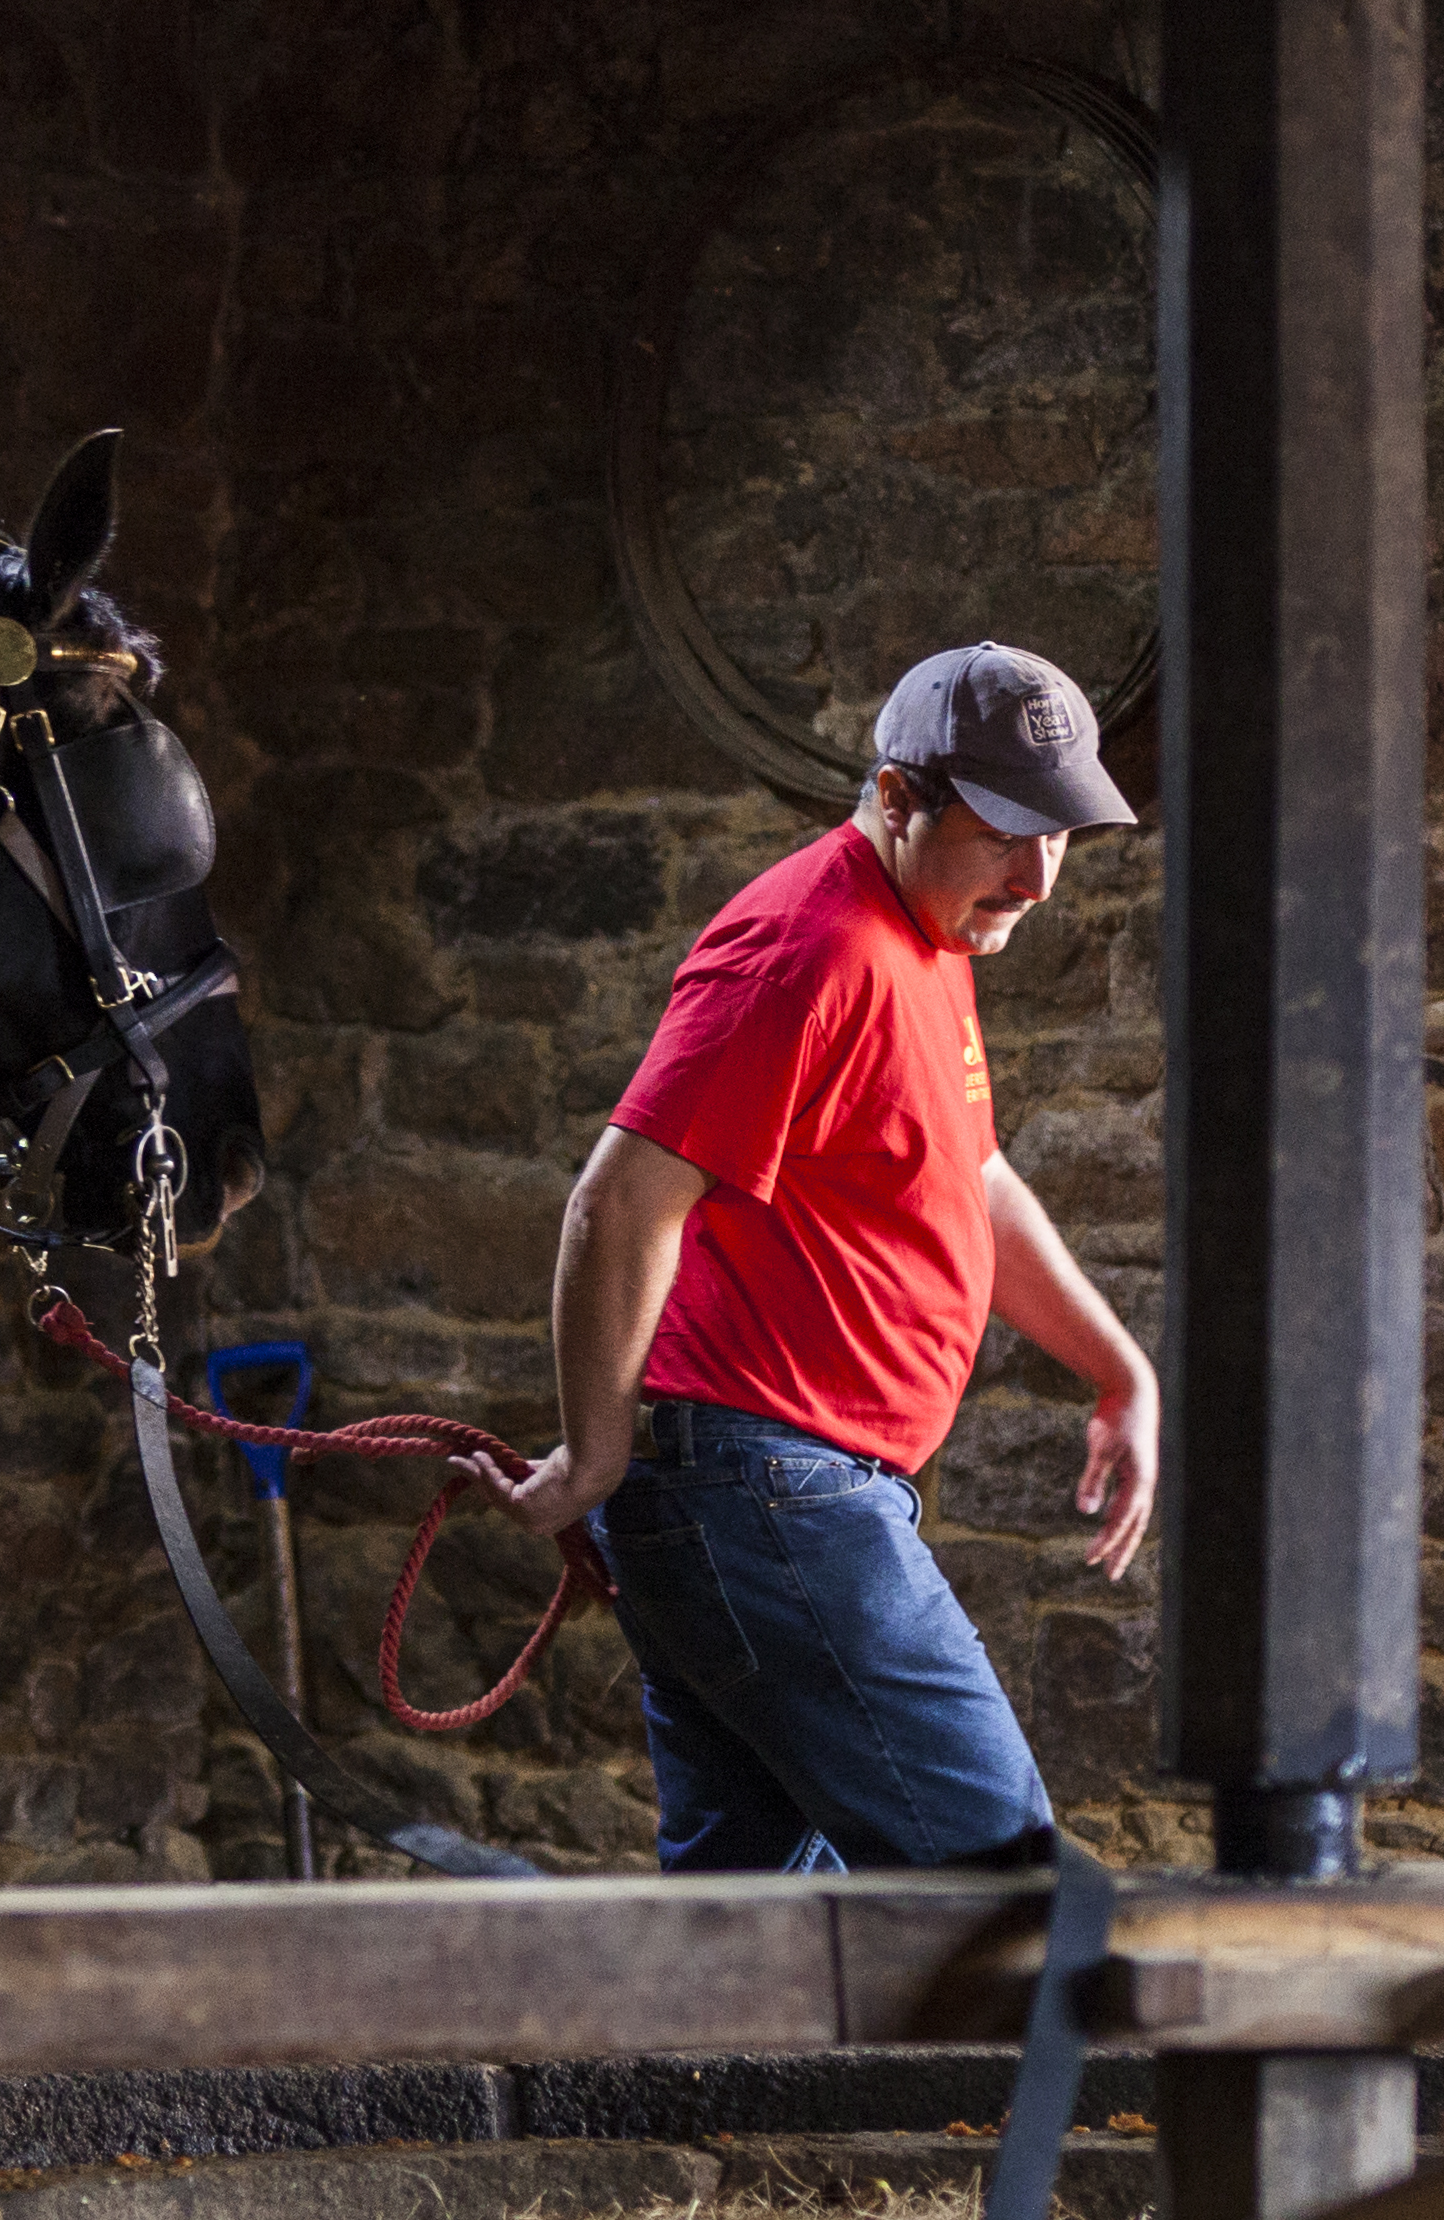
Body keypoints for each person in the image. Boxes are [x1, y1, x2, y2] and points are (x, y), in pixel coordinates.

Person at [463, 643, 1158, 1870]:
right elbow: (616, 1203)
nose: (1040, 877)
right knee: (1005, 1895)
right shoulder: (811, 948)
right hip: (766, 1486)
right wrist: (594, 1458)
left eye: (1060, 835)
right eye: (1007, 831)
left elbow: (969, 1176)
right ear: (898, 799)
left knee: (761, 1943)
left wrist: (1119, 1369)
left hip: (769, 1488)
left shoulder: (928, 939)